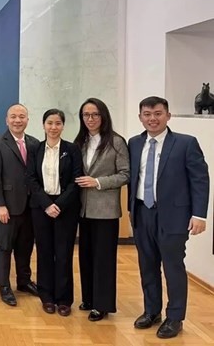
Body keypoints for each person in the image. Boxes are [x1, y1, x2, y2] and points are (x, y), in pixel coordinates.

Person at [128, 96, 209, 339]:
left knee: (173, 267)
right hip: (143, 213)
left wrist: (199, 215)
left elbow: (200, 180)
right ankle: (151, 311)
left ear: (168, 116)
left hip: (174, 216)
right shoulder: (133, 143)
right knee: (147, 265)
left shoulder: (186, 143)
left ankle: (175, 317)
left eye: (158, 113)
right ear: (140, 117)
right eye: (147, 114)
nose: (152, 118)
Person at [74, 98, 129, 321]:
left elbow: (125, 174)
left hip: (105, 210)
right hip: (83, 209)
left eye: (95, 114)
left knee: (103, 259)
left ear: (103, 116)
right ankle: (88, 298)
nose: (90, 119)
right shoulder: (80, 141)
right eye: (86, 115)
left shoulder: (116, 141)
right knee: (85, 256)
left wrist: (97, 182)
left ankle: (103, 304)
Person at [27, 109, 82, 317]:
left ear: (63, 126)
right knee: (44, 252)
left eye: (57, 123)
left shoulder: (72, 149)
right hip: (41, 208)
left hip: (65, 208)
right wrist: (46, 204)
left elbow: (76, 180)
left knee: (64, 253)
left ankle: (64, 299)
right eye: (49, 123)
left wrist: (59, 204)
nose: (53, 127)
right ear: (43, 125)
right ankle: (47, 296)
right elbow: (30, 179)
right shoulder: (35, 149)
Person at [0, 104, 40, 307]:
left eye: (22, 116)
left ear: (27, 119)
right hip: (7, 206)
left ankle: (24, 281)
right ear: (6, 120)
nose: (18, 120)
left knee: (25, 247)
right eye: (13, 117)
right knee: (4, 247)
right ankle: (4, 286)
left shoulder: (35, 143)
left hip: (31, 207)